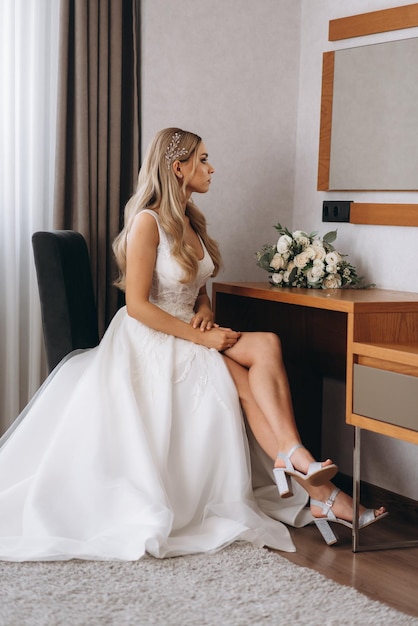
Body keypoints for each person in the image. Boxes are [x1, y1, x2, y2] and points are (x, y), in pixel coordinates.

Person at [0, 128, 386, 562]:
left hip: (190, 327)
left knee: (267, 346)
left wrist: (204, 307)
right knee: (244, 381)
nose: (212, 167)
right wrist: (203, 337)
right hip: (153, 335)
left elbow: (195, 284)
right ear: (177, 167)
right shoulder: (147, 222)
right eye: (203, 159)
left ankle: (299, 462)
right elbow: (138, 306)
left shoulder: (191, 219)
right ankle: (316, 484)